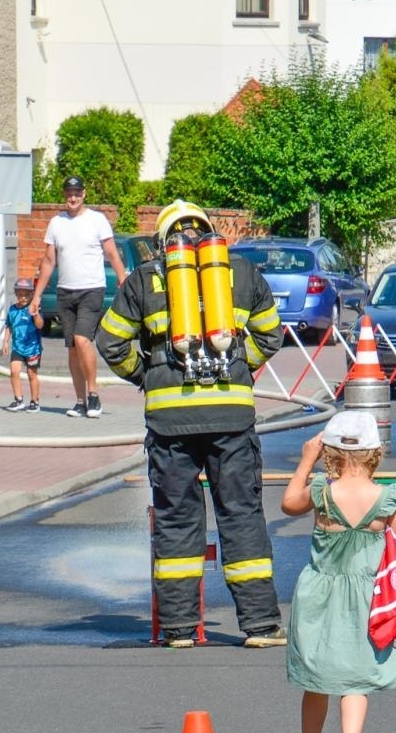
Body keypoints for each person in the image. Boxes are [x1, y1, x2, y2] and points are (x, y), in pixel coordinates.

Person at [97, 199, 286, 649]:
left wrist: (148, 376)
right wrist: (239, 367)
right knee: (241, 515)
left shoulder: (144, 279)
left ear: (163, 240)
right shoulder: (240, 274)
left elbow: (110, 342)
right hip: (231, 415)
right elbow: (271, 334)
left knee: (177, 519)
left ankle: (180, 630)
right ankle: (260, 627)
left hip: (170, 421)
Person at [280, 410, 396, 733]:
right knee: (356, 677)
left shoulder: (322, 491)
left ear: (330, 452)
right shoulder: (388, 494)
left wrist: (306, 460)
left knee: (317, 676)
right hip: (367, 594)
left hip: (320, 591)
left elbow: (289, 503)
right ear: (375, 452)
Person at [32, 175, 127, 419]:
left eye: (76, 193)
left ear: (84, 194)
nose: (72, 197)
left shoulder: (97, 220)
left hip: (92, 290)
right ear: (65, 196)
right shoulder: (56, 223)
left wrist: (122, 279)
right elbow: (49, 260)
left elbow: (112, 253)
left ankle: (94, 394)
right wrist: (37, 296)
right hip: (66, 291)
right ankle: (80, 401)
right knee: (73, 348)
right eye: (68, 193)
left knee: (82, 339)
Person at [0, 277, 43, 413]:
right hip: (17, 347)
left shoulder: (34, 308)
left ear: (31, 294)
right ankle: (18, 399)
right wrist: (6, 341)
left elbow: (40, 325)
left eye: (26, 294)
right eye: (19, 294)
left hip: (32, 347)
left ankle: (35, 401)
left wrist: (35, 315)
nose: (22, 297)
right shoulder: (12, 310)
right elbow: (9, 326)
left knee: (31, 374)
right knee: (14, 371)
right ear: (16, 294)